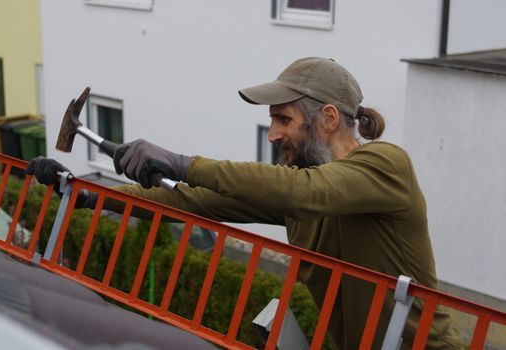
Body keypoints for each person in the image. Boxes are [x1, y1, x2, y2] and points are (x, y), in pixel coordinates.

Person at [28, 57, 462, 348]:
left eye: (283, 119)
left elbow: (311, 192)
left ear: (328, 119)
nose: (273, 134)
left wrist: (181, 162)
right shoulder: (300, 186)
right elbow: (195, 201)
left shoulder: (386, 165)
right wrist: (87, 194)